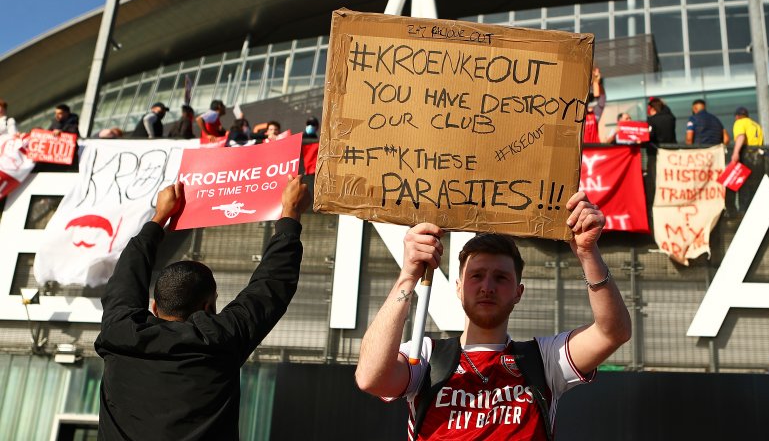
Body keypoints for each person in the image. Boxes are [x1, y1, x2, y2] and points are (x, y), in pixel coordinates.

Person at [355, 192, 631, 440]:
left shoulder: (544, 360)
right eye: (477, 276)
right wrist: (408, 275)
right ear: (459, 288)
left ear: (518, 292)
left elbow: (613, 332)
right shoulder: (426, 356)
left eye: (500, 278)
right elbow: (370, 378)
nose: (487, 287)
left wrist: (587, 253)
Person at [95, 176, 309, 440]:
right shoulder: (221, 340)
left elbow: (126, 275)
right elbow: (270, 288)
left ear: (154, 305)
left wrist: (160, 216)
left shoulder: (121, 334)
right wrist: (290, 211)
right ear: (208, 307)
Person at [583, 66, 606, 144]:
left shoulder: (595, 115)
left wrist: (597, 82)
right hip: (581, 150)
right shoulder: (578, 115)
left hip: (594, 149)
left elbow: (602, 98)